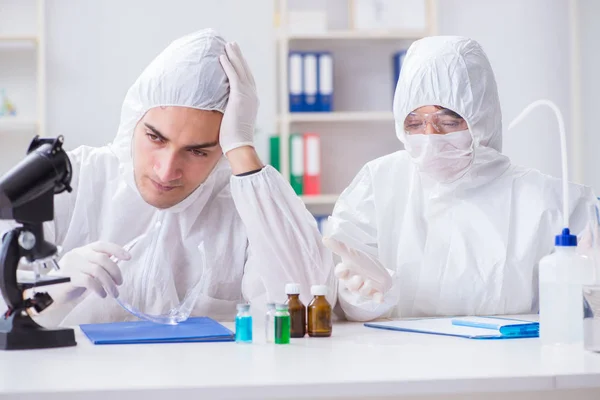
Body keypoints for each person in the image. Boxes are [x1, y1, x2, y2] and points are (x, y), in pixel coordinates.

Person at [0, 29, 335, 326]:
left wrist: (243, 149)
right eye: (155, 138)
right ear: (134, 118)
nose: (166, 170)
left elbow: (303, 306)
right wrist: (54, 286)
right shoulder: (73, 180)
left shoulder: (245, 208)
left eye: (198, 151)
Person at [323, 35, 598, 322]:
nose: (430, 138)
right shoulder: (378, 185)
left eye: (448, 122)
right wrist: (365, 297)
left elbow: (583, 316)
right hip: (403, 363)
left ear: (482, 116)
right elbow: (343, 299)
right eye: (414, 123)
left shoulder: (553, 203)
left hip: (510, 364)